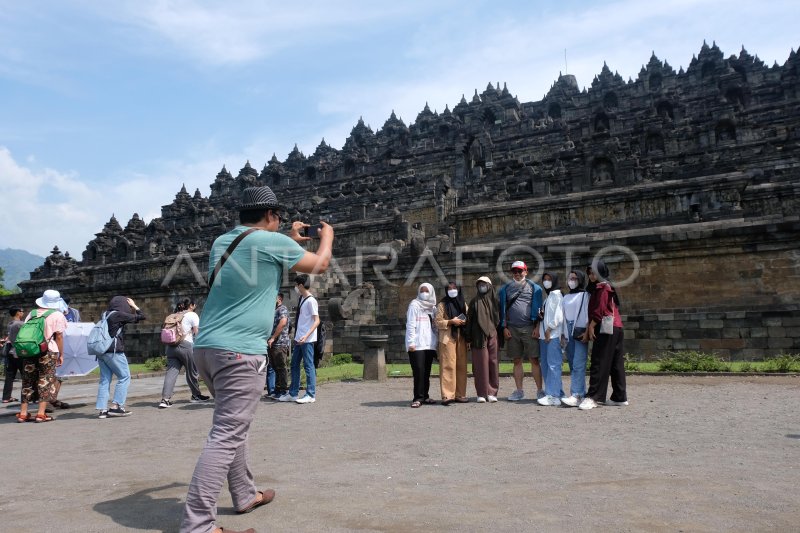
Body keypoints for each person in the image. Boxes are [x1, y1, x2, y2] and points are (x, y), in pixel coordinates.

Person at [181, 185, 333, 533]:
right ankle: (198, 526)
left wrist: (288, 239)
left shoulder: (223, 242)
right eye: (278, 218)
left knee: (234, 427)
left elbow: (260, 252)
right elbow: (320, 265)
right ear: (270, 216)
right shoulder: (272, 242)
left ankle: (245, 494)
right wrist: (327, 236)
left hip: (207, 349)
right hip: (239, 351)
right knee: (227, 433)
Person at [578, 260, 628, 410]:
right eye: (590, 272)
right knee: (615, 363)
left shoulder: (602, 287)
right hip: (616, 327)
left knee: (599, 361)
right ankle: (620, 396)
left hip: (605, 326)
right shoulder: (605, 286)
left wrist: (591, 326)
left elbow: (599, 310)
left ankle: (593, 397)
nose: (591, 275)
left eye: (594, 272)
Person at [16, 290, 67, 423]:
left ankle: (23, 413)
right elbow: (59, 337)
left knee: (27, 381)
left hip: (30, 350)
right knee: (45, 380)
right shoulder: (57, 315)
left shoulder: (32, 313)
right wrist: (61, 354)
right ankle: (40, 414)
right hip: (48, 351)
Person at [498, 261, 543, 401]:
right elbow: (502, 310)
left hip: (530, 327)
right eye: (514, 272)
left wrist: (537, 327)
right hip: (512, 328)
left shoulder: (535, 288)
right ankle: (519, 390)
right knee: (516, 360)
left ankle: (540, 391)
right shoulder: (504, 289)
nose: (517, 274)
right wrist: (504, 327)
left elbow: (540, 310)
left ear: (526, 271)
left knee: (534, 359)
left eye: (520, 271)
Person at [96, 296, 145, 419]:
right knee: (124, 377)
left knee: (105, 380)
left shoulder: (105, 314)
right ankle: (116, 406)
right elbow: (142, 316)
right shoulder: (118, 315)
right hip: (114, 351)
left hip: (101, 351)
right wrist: (135, 306)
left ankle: (102, 410)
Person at [158, 298, 210, 408]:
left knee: (171, 372)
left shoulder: (174, 315)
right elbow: (197, 333)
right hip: (185, 345)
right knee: (192, 371)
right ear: (191, 305)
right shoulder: (192, 315)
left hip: (171, 346)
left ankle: (165, 399)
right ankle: (196, 395)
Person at [280, 275, 320, 404]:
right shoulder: (302, 298)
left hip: (306, 339)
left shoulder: (310, 300)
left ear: (301, 285)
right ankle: (293, 393)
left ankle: (310, 394)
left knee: (308, 366)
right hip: (299, 337)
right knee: (294, 364)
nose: (295, 287)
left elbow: (317, 320)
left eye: (296, 285)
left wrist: (306, 335)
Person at [465, 276, 500, 403]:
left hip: (492, 335)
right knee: (480, 364)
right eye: (479, 285)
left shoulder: (495, 300)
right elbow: (469, 321)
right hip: (478, 337)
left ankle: (492, 392)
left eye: (484, 284)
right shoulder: (474, 301)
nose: (482, 287)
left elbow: (498, 319)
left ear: (489, 286)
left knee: (493, 363)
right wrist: (468, 338)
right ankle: (481, 392)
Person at [434, 281, 469, 405]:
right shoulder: (442, 304)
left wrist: (464, 321)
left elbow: (468, 317)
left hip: (462, 337)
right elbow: (437, 322)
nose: (452, 290)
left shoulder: (463, 303)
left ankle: (460, 394)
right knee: (448, 365)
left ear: (459, 289)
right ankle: (448, 395)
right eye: (449, 288)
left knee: (461, 365)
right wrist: (450, 321)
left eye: (454, 288)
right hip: (448, 337)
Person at [404, 282, 438, 408]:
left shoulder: (433, 308)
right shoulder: (414, 305)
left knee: (426, 372)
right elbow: (411, 325)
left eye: (427, 291)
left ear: (431, 292)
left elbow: (434, 328)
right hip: (417, 344)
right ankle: (417, 397)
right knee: (418, 370)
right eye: (422, 290)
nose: (424, 293)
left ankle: (425, 396)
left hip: (429, 344)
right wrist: (410, 342)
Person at [560, 270, 590, 407]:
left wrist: (587, 331)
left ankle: (576, 393)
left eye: (574, 278)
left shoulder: (585, 295)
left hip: (579, 329)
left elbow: (588, 314)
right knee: (572, 363)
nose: (571, 281)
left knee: (579, 362)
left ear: (580, 280)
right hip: (567, 330)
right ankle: (581, 392)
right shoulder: (565, 297)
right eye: (570, 278)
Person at [537, 272, 565, 406]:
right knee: (547, 365)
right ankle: (557, 392)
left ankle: (552, 395)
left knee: (553, 365)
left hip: (551, 335)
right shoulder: (548, 297)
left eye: (549, 279)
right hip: (545, 335)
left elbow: (558, 316)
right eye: (544, 279)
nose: (546, 282)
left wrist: (549, 329)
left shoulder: (556, 294)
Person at [265, 293, 290, 400]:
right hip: (272, 344)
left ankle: (283, 391)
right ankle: (277, 390)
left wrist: (273, 337)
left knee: (281, 367)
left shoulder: (282, 309)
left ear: (279, 299)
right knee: (275, 368)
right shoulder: (273, 310)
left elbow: (283, 322)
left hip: (280, 343)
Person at [2, 307, 24, 404]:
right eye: (22, 311)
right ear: (18, 313)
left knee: (10, 376)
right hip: (19, 352)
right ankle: (28, 397)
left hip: (10, 351)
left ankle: (6, 397)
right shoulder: (21, 324)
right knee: (27, 376)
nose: (23, 313)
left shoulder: (10, 324)